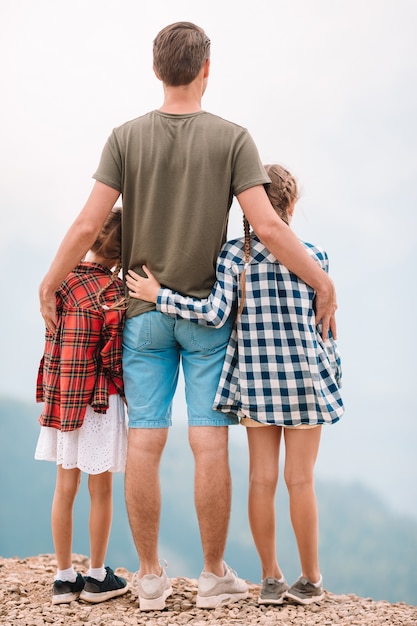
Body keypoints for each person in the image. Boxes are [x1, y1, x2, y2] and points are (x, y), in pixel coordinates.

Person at [38, 22, 338, 611]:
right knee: (209, 447)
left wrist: (50, 283)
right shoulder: (233, 139)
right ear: (206, 69)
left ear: (157, 70)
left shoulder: (125, 138)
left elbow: (83, 225)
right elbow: (270, 228)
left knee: (145, 444)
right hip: (206, 314)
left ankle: (149, 578)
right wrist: (322, 281)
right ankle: (210, 575)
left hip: (142, 312)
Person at [126, 163, 344, 606]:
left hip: (257, 387)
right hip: (304, 386)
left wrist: (158, 296)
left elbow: (212, 315)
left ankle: (270, 579)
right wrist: (332, 378)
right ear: (293, 204)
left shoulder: (232, 257)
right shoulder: (315, 257)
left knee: (261, 481)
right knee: (300, 481)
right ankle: (311, 579)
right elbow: (325, 331)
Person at [35, 207, 129, 605]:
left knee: (65, 487)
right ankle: (95, 576)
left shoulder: (62, 282)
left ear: (91, 241)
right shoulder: (116, 292)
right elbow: (112, 356)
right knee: (101, 488)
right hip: (98, 402)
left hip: (62, 396)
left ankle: (62, 578)